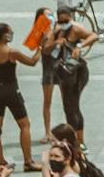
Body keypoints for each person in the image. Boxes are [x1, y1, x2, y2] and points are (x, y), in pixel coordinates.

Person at [0, 19, 39, 169]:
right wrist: (39, 48)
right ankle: (28, 161)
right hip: (11, 90)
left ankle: (1, 161)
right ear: (5, 36)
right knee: (25, 125)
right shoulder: (12, 52)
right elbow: (32, 62)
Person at [41, 8, 96, 138]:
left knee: (73, 106)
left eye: (66, 20)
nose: (64, 23)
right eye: (61, 21)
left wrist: (79, 46)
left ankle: (78, 141)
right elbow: (45, 50)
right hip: (63, 73)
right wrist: (55, 42)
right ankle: (75, 139)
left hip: (77, 71)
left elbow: (93, 36)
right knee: (68, 107)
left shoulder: (75, 29)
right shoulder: (54, 32)